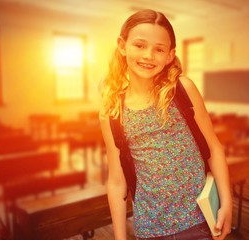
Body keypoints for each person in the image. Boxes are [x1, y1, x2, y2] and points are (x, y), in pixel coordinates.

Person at [99, 9, 232, 240]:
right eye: (140, 45)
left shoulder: (182, 90)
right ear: (122, 46)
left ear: (170, 55)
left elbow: (214, 149)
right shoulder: (112, 110)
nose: (149, 55)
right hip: (150, 230)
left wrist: (227, 204)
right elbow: (116, 181)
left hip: (199, 222)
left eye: (159, 49)